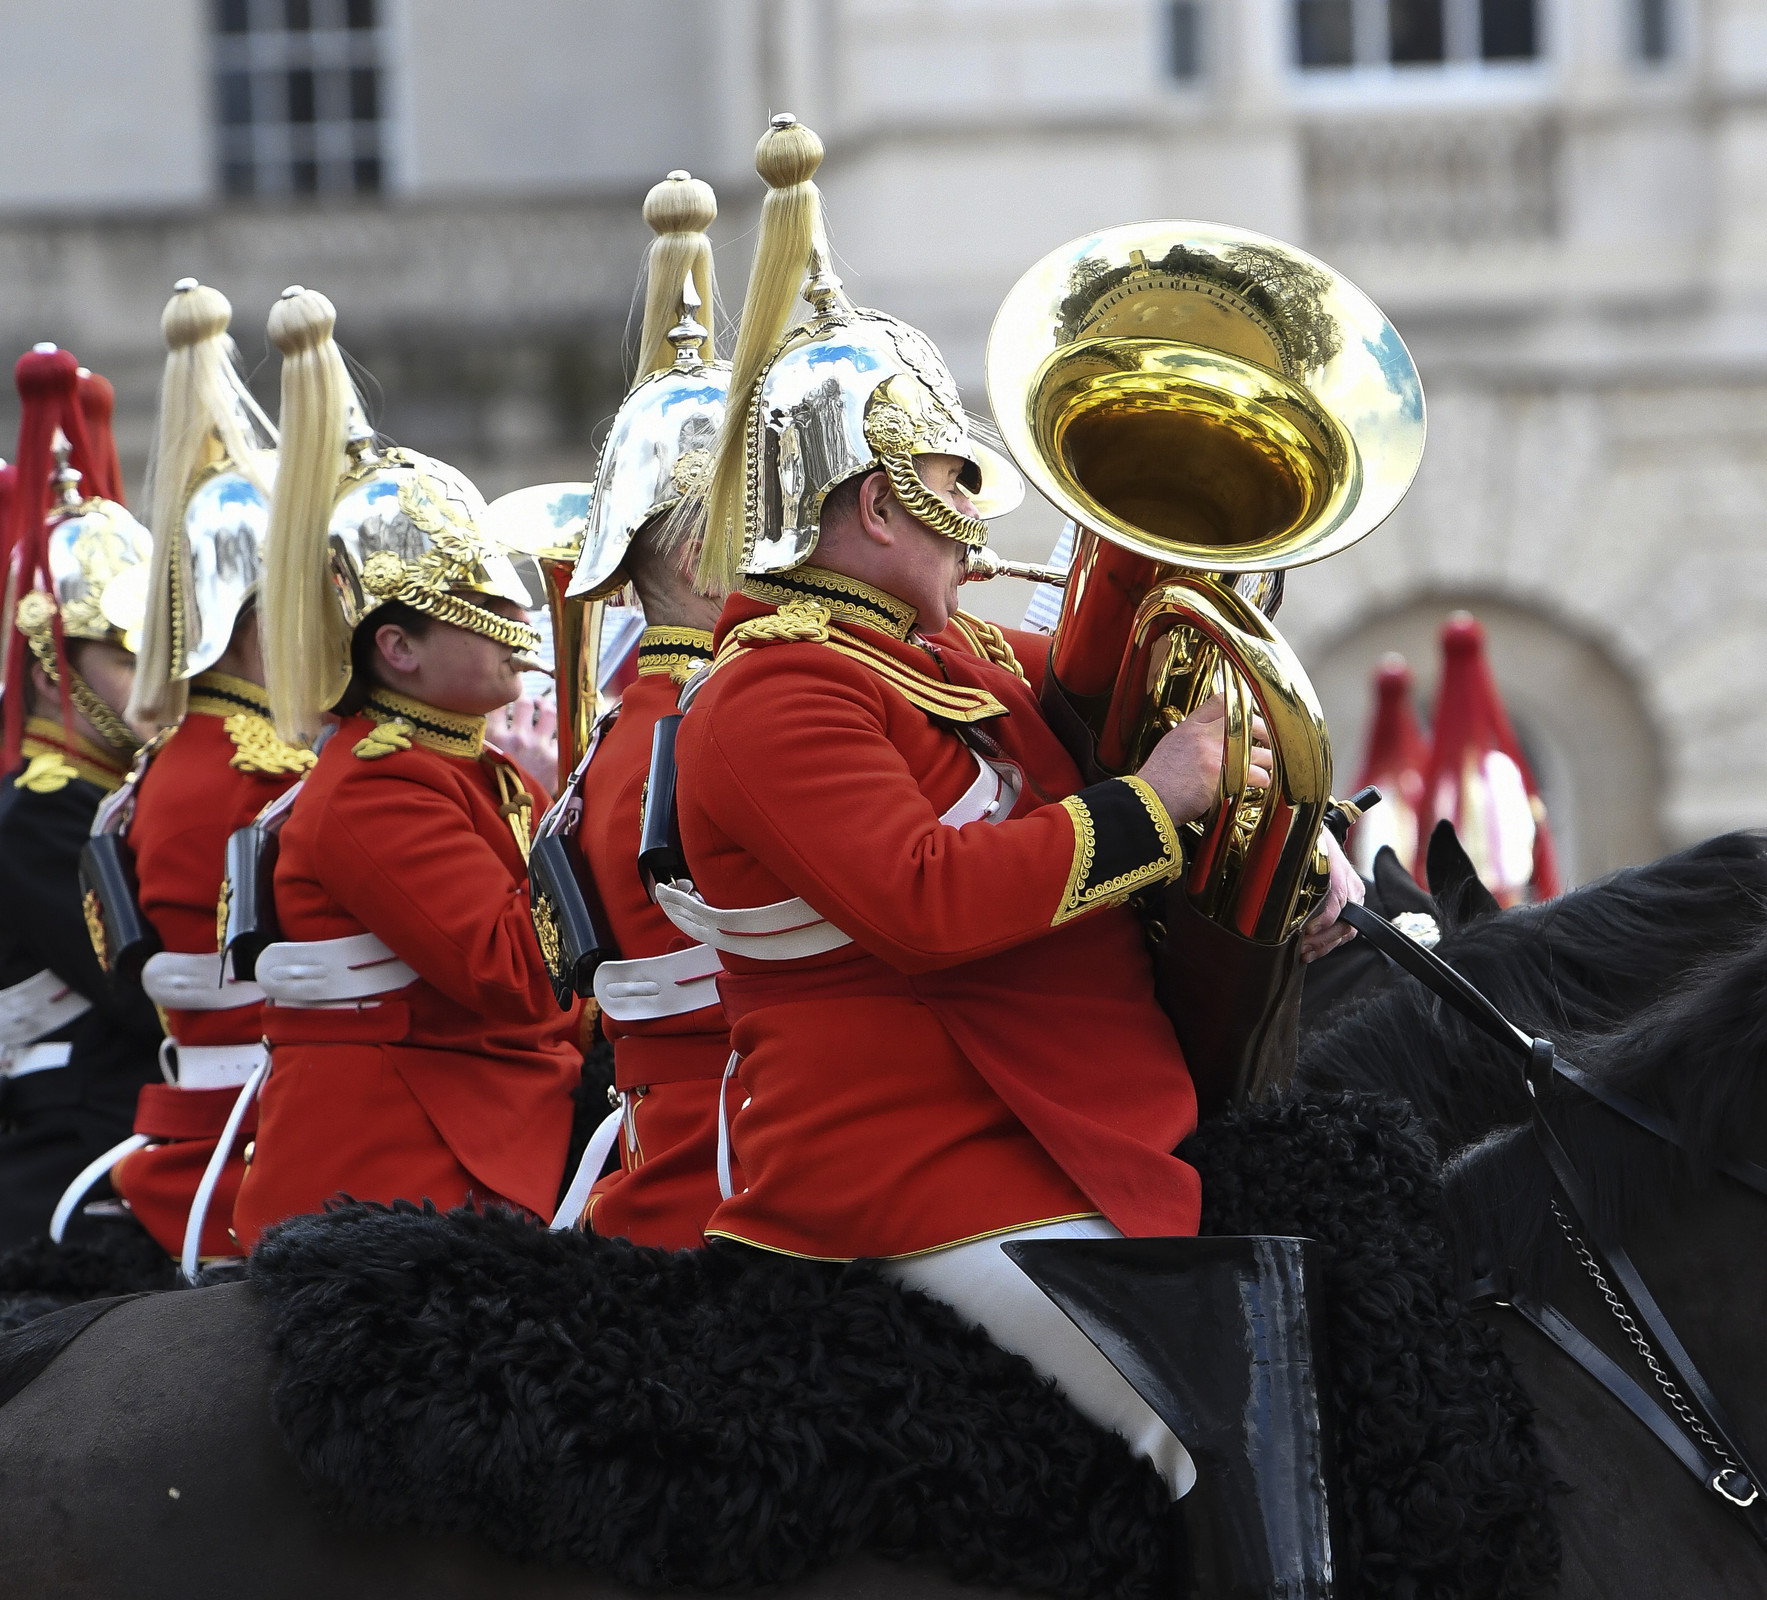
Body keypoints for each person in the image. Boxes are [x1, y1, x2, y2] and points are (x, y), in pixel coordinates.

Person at [665, 116, 1360, 1559]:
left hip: (1049, 1116)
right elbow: (925, 899)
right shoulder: (769, 691)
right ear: (879, 501)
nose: (981, 523)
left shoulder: (949, 649)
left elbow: (1097, 712)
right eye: (959, 486)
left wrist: (1285, 839)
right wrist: (1156, 804)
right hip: (921, 1156)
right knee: (1190, 1406)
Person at [229, 286, 581, 1246]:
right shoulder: (378, 784)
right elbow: (515, 973)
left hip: (489, 1105)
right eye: (481, 605)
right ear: (397, 649)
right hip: (412, 1161)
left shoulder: (475, 766)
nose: (517, 625)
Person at [71, 278, 303, 1264]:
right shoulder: (257, 775)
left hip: (204, 1116)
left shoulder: (169, 765)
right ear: (258, 616)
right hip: (257, 1137)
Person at [555, 170, 731, 1249]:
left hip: (666, 1138)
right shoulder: (707, 724)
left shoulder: (632, 726)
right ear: (687, 553)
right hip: (730, 1165)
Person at [0, 347, 161, 1257]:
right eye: (129, 661)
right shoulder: (42, 818)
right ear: (52, 669)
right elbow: (145, 994)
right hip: (79, 1157)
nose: (154, 688)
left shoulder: (105, 794)